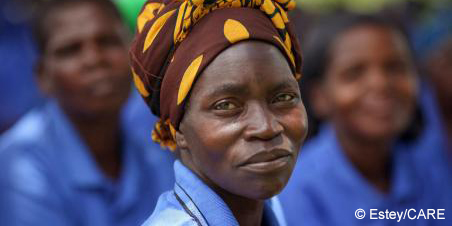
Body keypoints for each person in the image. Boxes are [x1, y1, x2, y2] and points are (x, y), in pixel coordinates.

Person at [129, 0, 308, 225]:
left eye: (284, 98)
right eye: (226, 106)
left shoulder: (277, 211)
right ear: (177, 128)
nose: (266, 127)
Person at [0, 0, 174, 225]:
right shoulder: (19, 167)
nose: (94, 60)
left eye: (108, 42)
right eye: (70, 50)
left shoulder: (155, 140)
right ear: (43, 75)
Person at [280, 14, 443, 225]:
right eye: (354, 73)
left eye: (395, 67)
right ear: (319, 97)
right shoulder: (296, 192)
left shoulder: (431, 169)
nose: (381, 84)